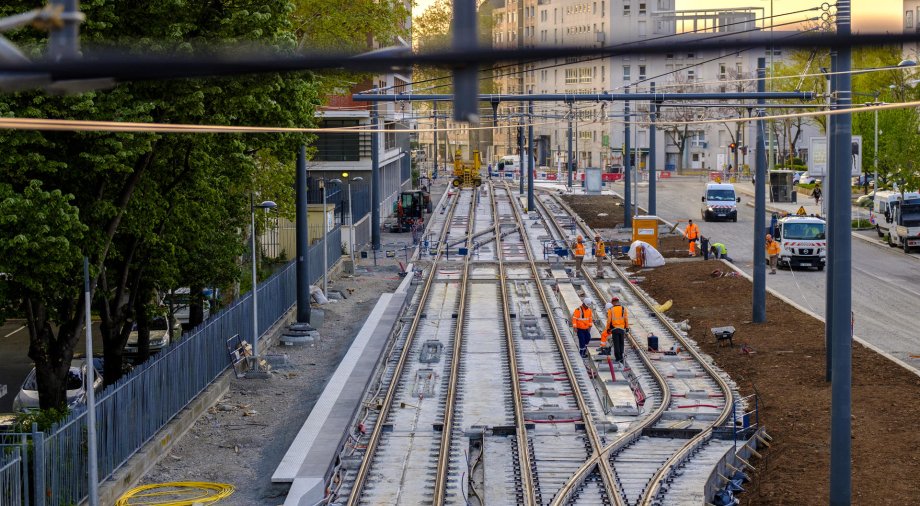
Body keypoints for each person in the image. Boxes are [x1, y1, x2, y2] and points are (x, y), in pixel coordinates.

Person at [603, 296, 629, 364]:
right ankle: (622, 357)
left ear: (614, 302)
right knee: (621, 344)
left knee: (616, 344)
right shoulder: (623, 309)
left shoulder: (611, 310)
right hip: (622, 329)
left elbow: (609, 321)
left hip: (614, 329)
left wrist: (608, 328)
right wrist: (627, 327)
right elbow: (626, 319)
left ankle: (618, 358)